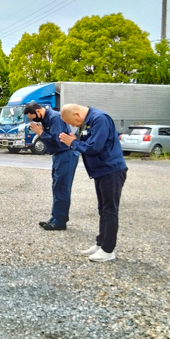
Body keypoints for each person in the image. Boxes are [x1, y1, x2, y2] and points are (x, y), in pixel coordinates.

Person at [59, 104, 127, 262]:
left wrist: (73, 143)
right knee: (102, 209)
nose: (73, 126)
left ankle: (108, 250)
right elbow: (84, 142)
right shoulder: (87, 122)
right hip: (101, 172)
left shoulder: (99, 119)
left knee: (110, 210)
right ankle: (101, 243)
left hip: (111, 170)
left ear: (77, 114)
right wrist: (74, 141)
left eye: (72, 122)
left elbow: (94, 147)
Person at [24, 102, 80, 231]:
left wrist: (41, 133)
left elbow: (58, 140)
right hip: (58, 155)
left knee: (62, 187)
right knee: (57, 186)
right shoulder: (46, 119)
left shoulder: (55, 118)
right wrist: (42, 132)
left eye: (33, 117)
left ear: (38, 111)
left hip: (66, 154)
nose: (33, 120)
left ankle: (60, 222)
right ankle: (55, 218)